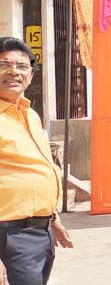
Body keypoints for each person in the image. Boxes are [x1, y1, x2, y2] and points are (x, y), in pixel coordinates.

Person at [0, 37, 74, 284]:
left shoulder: (30, 114)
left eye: (22, 66)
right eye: (4, 64)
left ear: (31, 76)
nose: (13, 72)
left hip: (39, 233)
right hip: (9, 235)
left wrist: (53, 219)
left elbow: (37, 167)